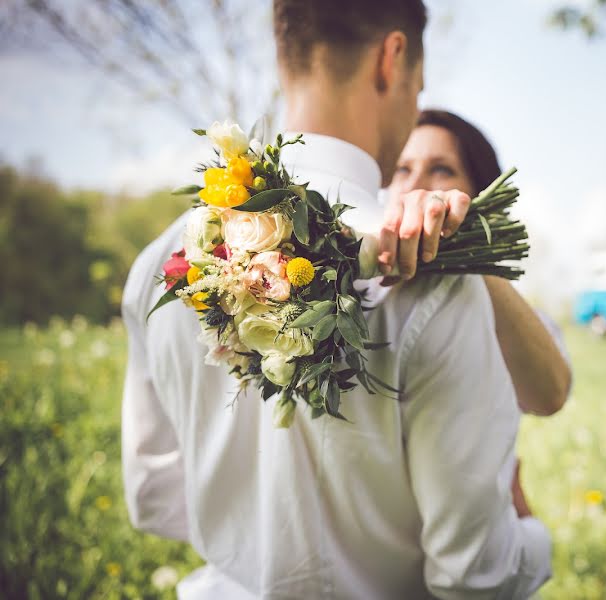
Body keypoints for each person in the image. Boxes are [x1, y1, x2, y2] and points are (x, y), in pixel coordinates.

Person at [120, 1, 552, 598]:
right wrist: (534, 537)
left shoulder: (157, 267)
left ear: (282, 53)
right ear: (392, 58)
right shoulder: (432, 275)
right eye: (418, 85)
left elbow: (152, 500)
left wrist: (254, 540)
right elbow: (474, 577)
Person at [388, 109, 571, 417]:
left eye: (441, 170)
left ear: (480, 192)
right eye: (402, 169)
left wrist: (468, 250)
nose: (415, 185)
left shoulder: (504, 306)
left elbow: (549, 395)